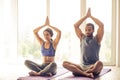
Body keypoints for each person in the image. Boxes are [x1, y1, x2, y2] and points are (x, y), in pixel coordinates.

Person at [63, 8, 104, 78]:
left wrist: (90, 16)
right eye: (86, 30)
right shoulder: (82, 37)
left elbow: (101, 25)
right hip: (82, 66)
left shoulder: (97, 38)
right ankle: (86, 74)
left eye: (89, 30)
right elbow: (75, 25)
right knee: (64, 63)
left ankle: (81, 73)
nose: (87, 31)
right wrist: (86, 16)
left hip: (93, 66)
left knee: (100, 63)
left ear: (93, 30)